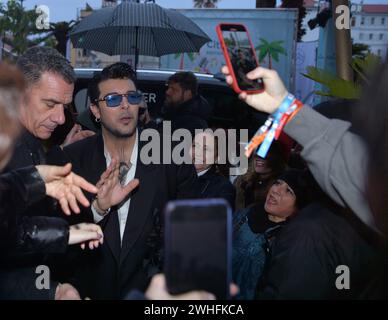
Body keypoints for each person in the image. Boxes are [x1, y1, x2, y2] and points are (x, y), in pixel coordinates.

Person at [222, 65, 382, 298]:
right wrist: (284, 107)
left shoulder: (310, 235)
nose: (302, 152)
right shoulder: (246, 212)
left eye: (289, 191)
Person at [49, 62, 199, 299]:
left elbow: (191, 235)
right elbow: (58, 239)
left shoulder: (172, 156)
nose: (126, 105)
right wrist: (97, 210)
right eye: (112, 99)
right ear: (95, 111)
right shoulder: (71, 160)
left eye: (132, 96)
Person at [0, 62, 104, 299]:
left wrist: (53, 289)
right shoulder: (11, 146)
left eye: (64, 107)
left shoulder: (35, 146)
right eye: (50, 104)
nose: (60, 117)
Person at [233, 169, 309, 300]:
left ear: (297, 208)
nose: (276, 191)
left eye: (288, 191)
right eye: (277, 183)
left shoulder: (290, 241)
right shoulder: (244, 215)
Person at [234, 141, 287, 210]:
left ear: (275, 160)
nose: (259, 159)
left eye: (265, 156)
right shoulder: (245, 179)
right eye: (257, 154)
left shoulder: (279, 186)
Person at [191, 130, 235, 209]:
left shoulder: (223, 188)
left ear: (217, 158)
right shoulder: (176, 177)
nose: (198, 152)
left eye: (206, 149)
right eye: (195, 146)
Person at [163, 71, 213, 136]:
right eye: (168, 88)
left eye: (173, 89)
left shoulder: (194, 124)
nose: (167, 92)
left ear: (188, 93)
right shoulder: (175, 111)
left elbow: (166, 143)